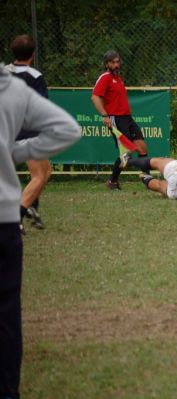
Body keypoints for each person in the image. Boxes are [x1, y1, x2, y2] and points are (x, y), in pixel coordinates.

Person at [0, 66, 80, 399]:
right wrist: (14, 152)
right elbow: (67, 130)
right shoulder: (16, 87)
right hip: (2, 219)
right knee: (6, 313)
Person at [4, 34, 52, 234]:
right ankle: (17, 217)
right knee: (39, 176)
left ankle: (31, 206)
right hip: (25, 131)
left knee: (46, 170)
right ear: (32, 54)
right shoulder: (34, 76)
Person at [91, 49, 149, 190]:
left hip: (127, 118)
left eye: (118, 62)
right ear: (106, 64)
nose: (116, 65)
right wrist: (105, 116)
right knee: (127, 151)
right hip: (115, 118)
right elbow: (95, 97)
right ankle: (112, 182)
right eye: (113, 62)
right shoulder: (105, 77)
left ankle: (148, 179)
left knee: (141, 147)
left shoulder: (118, 78)